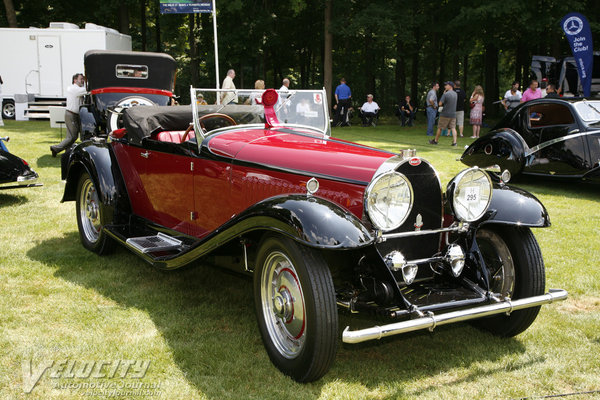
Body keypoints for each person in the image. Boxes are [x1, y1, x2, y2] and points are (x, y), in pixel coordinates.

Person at [50, 73, 86, 157]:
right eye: (81, 79)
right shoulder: (74, 88)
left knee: (71, 136)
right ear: (75, 80)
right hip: (71, 114)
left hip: (74, 114)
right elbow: (87, 90)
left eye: (83, 79)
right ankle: (55, 148)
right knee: (72, 136)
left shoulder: (77, 88)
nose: (83, 81)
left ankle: (67, 153)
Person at [429, 81, 458, 146]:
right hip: (453, 114)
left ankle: (435, 141)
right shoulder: (455, 94)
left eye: (446, 85)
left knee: (439, 127)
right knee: (453, 128)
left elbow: (440, 103)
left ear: (450, 86)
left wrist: (443, 94)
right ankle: (455, 142)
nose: (445, 86)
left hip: (445, 114)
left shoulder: (446, 94)